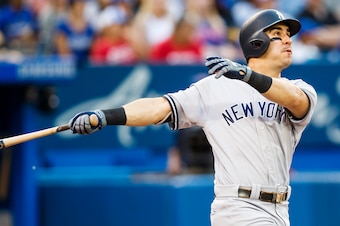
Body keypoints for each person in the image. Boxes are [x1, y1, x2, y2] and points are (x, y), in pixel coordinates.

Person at [68, 9, 317, 226]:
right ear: (256, 43)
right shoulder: (215, 88)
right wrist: (103, 115)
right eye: (278, 34)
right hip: (239, 207)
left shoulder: (299, 88)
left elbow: (295, 100)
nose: (288, 40)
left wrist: (247, 74)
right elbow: (159, 107)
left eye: (288, 34)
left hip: (280, 210)